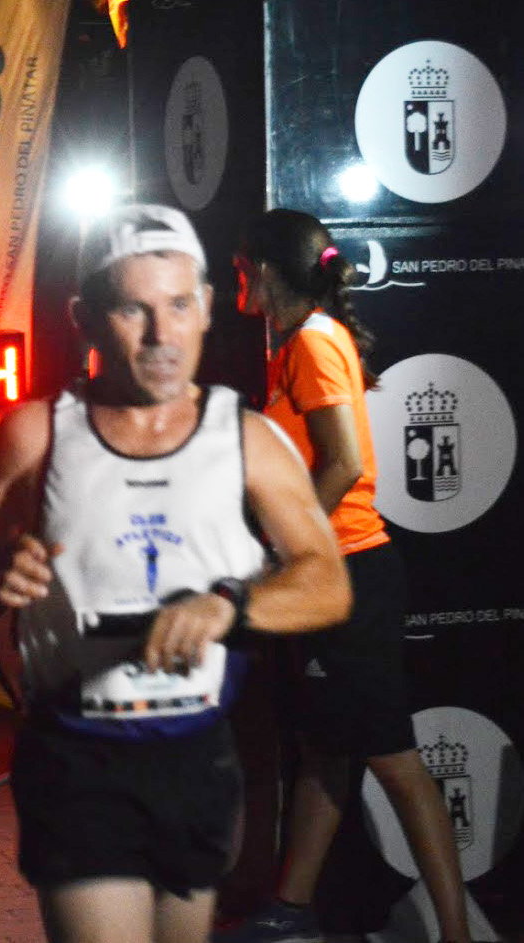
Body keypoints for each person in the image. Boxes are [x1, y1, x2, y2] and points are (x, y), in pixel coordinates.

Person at [0, 204, 351, 943]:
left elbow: (327, 581)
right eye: (133, 309)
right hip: (77, 752)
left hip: (195, 750)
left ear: (207, 308)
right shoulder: (36, 433)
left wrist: (229, 606)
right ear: (84, 319)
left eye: (179, 305)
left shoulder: (245, 438)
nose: (163, 335)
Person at [223, 209, 470, 943]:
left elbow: (344, 462)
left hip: (350, 575)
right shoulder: (301, 342)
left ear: (265, 271)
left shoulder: (311, 340)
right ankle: (290, 910)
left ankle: (455, 933)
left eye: (240, 268)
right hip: (335, 574)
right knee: (328, 749)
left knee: (395, 762)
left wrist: (286, 548)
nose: (236, 279)